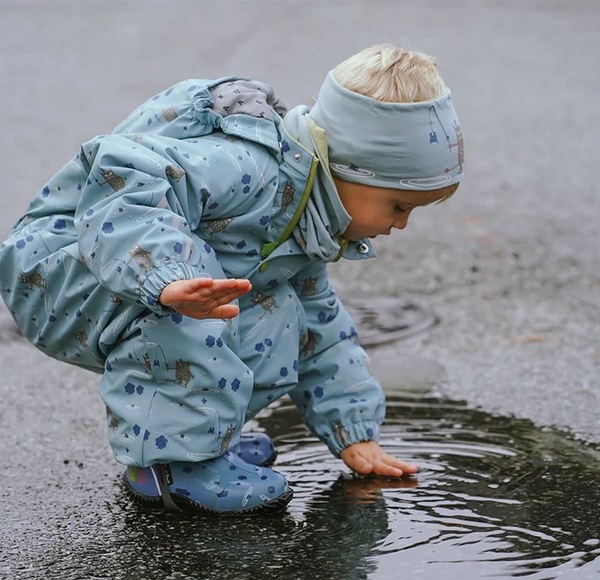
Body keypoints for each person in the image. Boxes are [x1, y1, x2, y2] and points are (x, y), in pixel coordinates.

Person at [0, 44, 464, 515]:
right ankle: (167, 467)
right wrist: (168, 275)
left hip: (127, 277)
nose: (401, 225)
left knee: (284, 311)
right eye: (399, 206)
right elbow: (125, 175)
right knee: (205, 298)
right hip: (62, 270)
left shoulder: (304, 218)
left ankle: (203, 444)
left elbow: (322, 332)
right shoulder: (251, 168)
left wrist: (354, 433)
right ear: (349, 168)